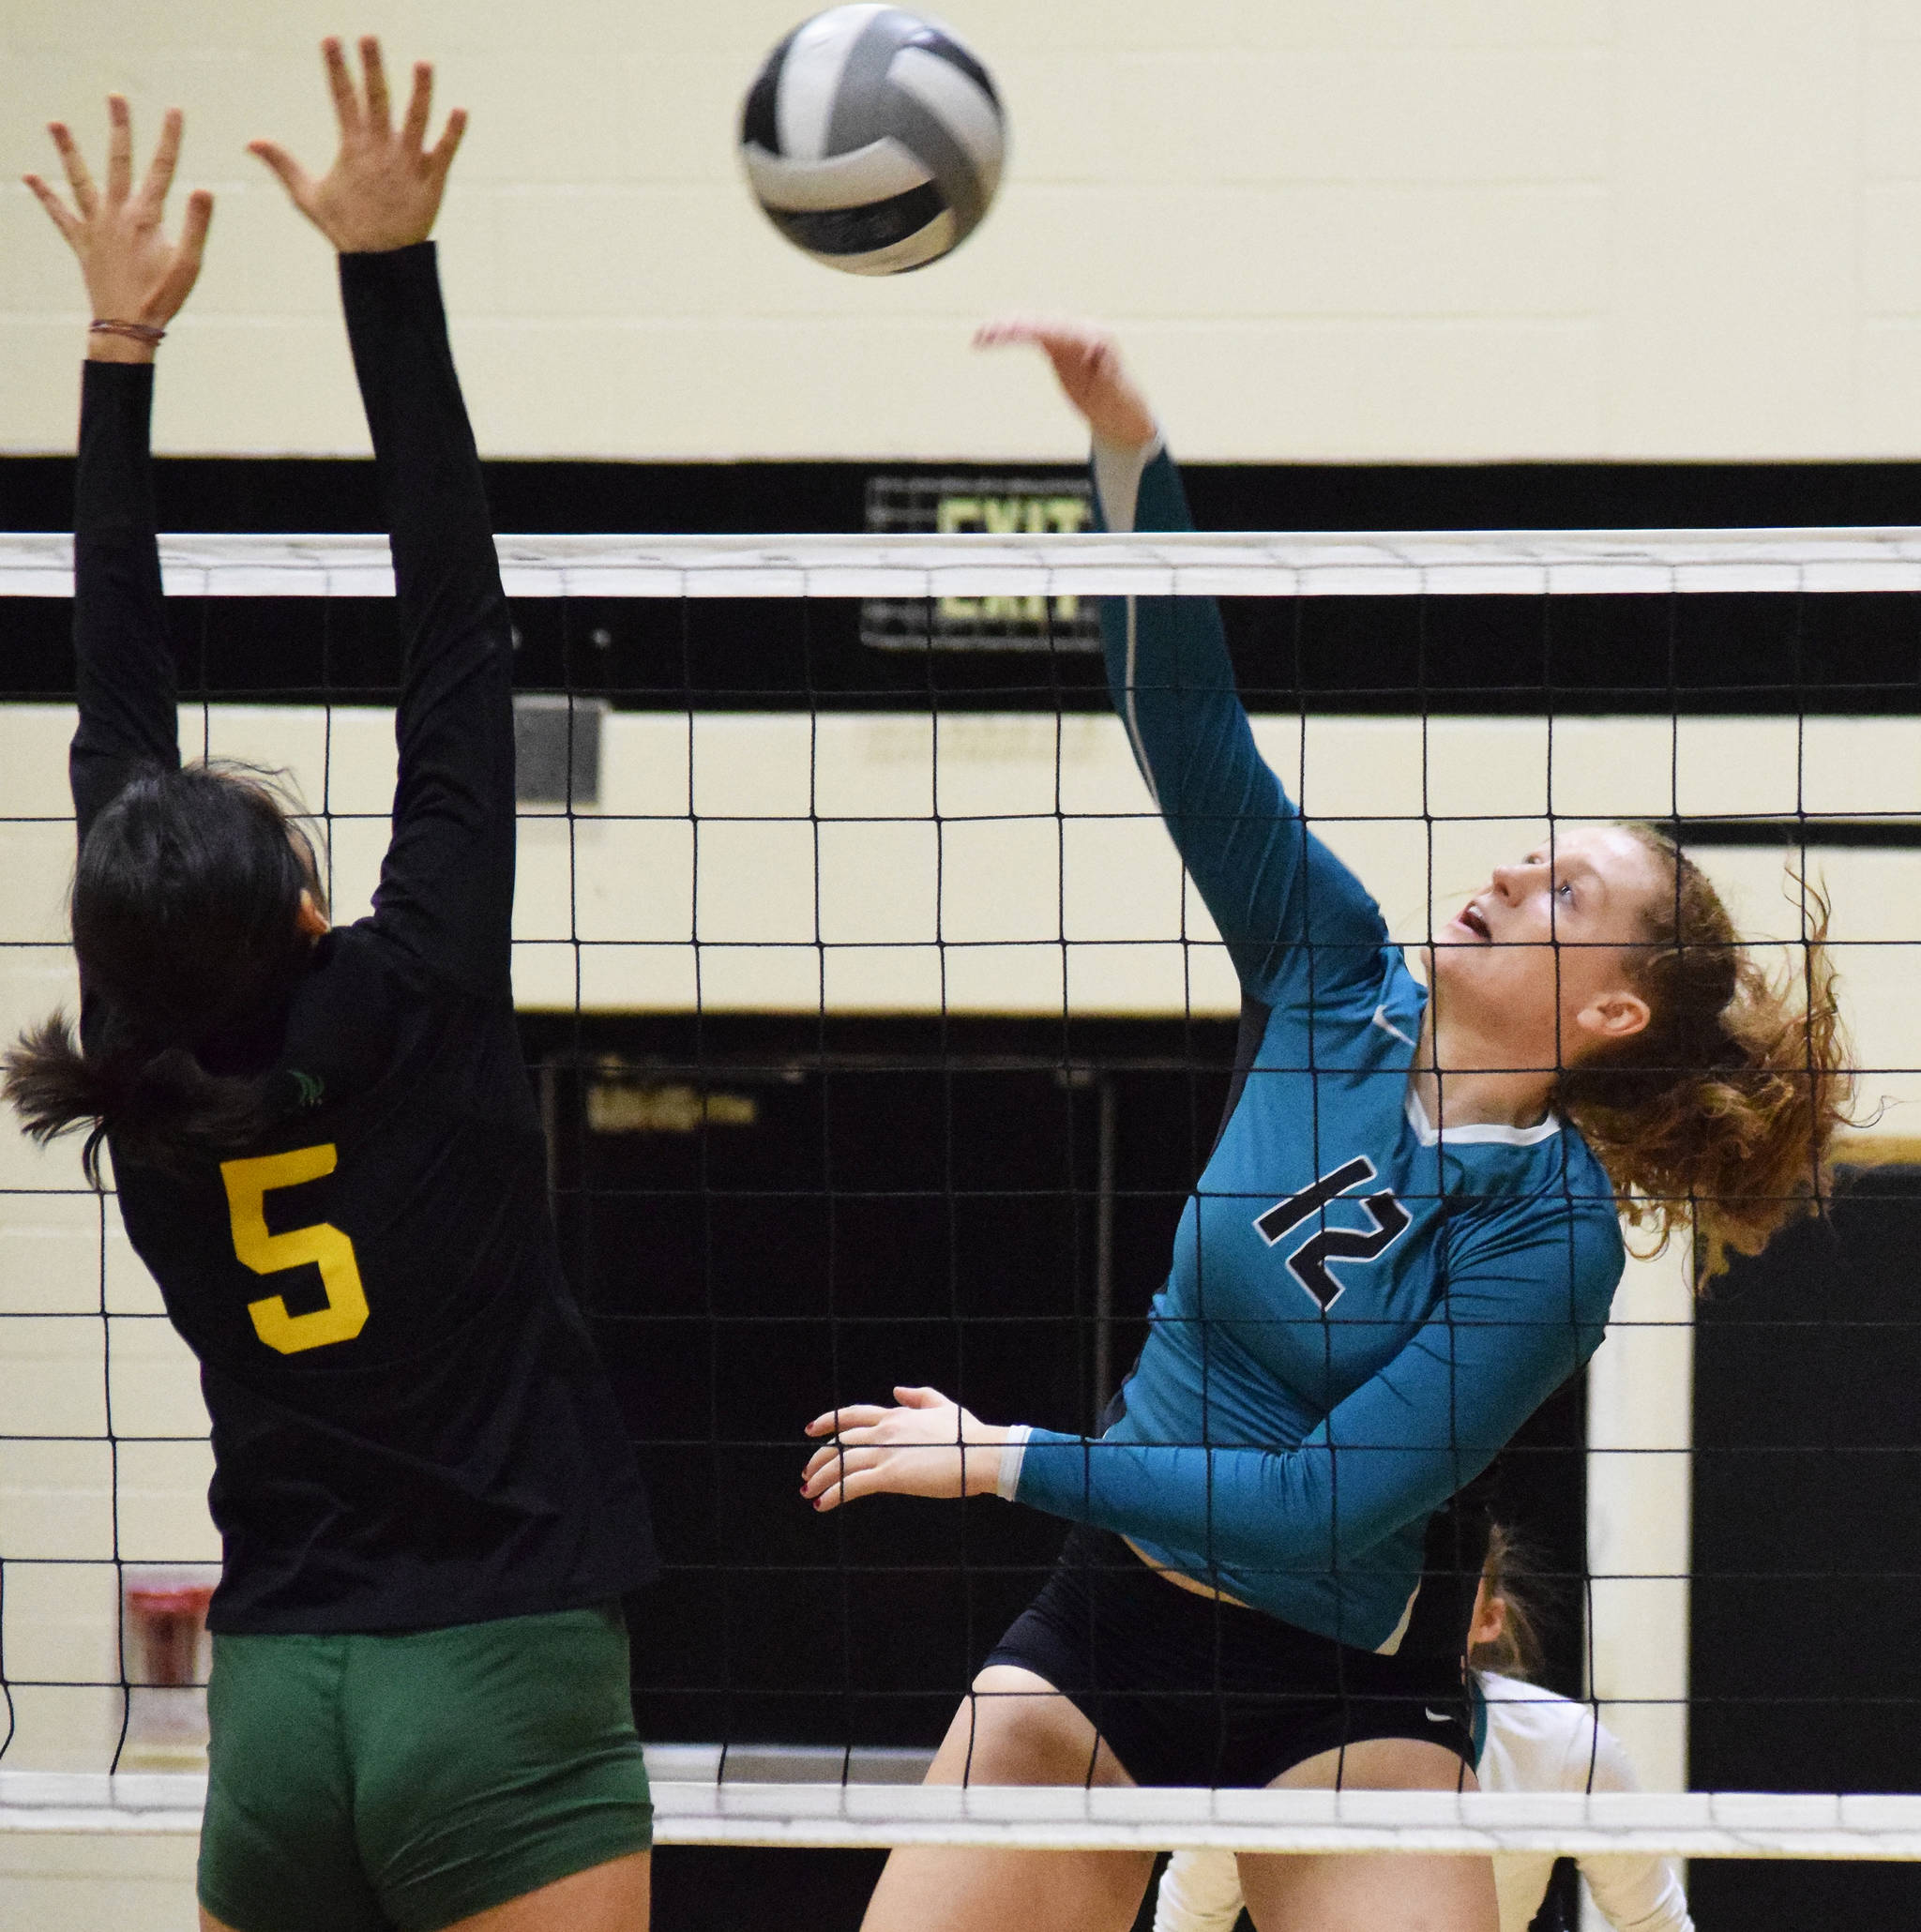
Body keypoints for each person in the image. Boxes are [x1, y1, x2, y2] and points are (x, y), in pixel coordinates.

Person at [800, 317, 1851, 1932]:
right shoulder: (1328, 971)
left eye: (1561, 888)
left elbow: (1324, 1509)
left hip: (1338, 1696)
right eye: (1526, 853)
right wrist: (1128, 460)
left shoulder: (1550, 1234)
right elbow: (1187, 736)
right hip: (1105, 1631)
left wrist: (1002, 1458)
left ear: (1610, 1015)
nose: (1507, 873)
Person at [7, 43, 656, 1932]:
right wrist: (388, 270)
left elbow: (116, 704)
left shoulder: (129, 1063)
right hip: (502, 1664)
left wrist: (120, 354)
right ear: (303, 908)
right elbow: (456, 626)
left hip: (282, 1696)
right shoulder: (419, 993)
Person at [1154, 1525, 1696, 1932]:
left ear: (1488, 1619)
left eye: (1435, 1587)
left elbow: (1655, 1924)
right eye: (1380, 1579)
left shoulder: (1563, 1745)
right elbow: (1189, 1920)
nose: (1404, 1607)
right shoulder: (1262, 1736)